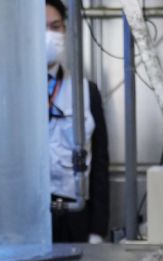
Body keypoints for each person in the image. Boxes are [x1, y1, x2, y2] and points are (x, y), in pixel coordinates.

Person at [45, 0, 109, 243]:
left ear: (65, 30)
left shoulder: (84, 91)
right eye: (42, 27)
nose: (49, 35)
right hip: (28, 217)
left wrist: (97, 229)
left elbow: (101, 162)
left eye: (55, 26)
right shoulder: (12, 91)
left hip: (75, 215)